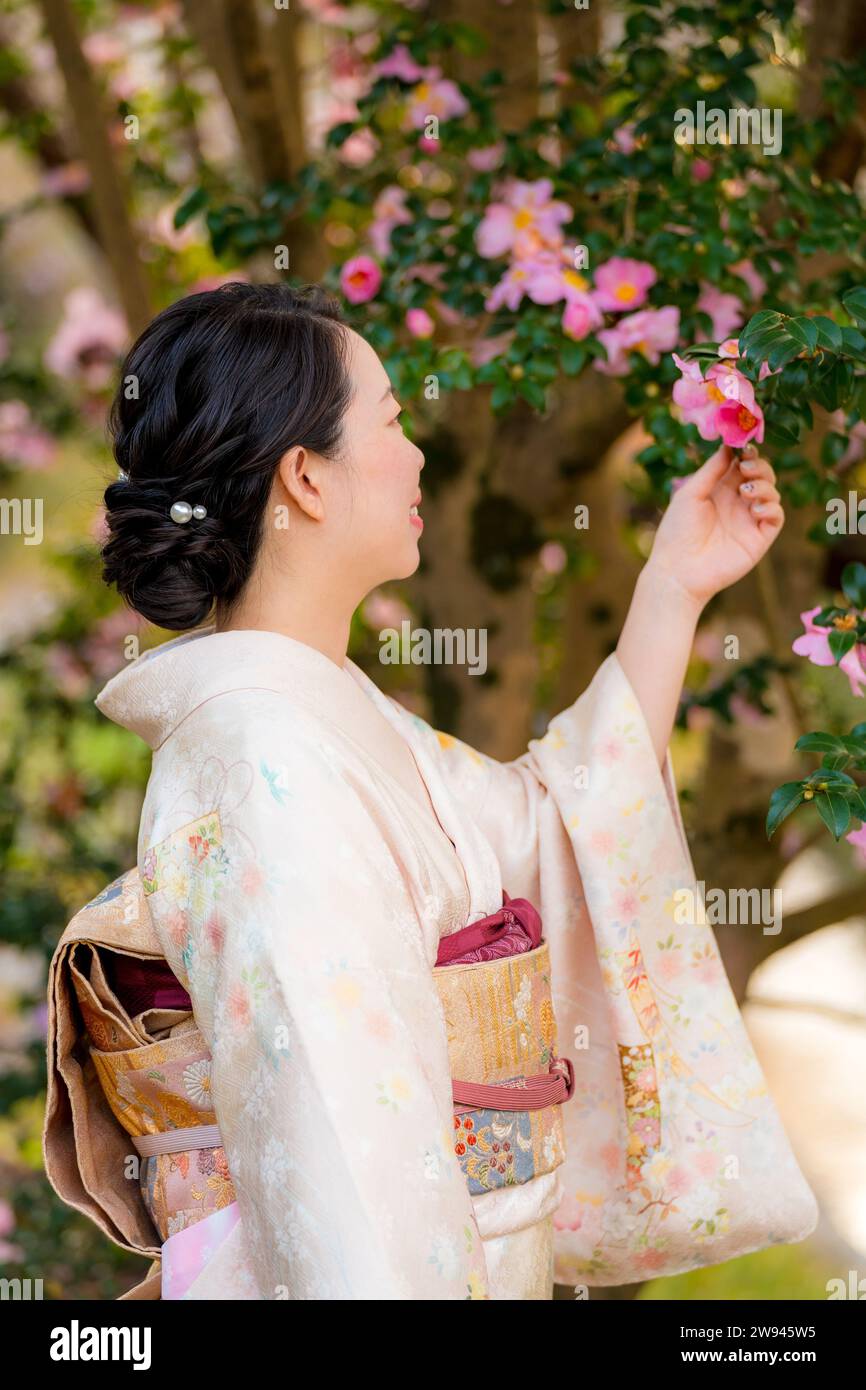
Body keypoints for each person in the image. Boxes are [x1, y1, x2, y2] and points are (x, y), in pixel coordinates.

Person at [42, 282, 817, 1300]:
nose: (415, 454)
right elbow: (348, 1169)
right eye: (393, 420)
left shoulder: (313, 716)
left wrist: (671, 585)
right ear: (305, 479)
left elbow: (542, 825)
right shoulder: (263, 765)